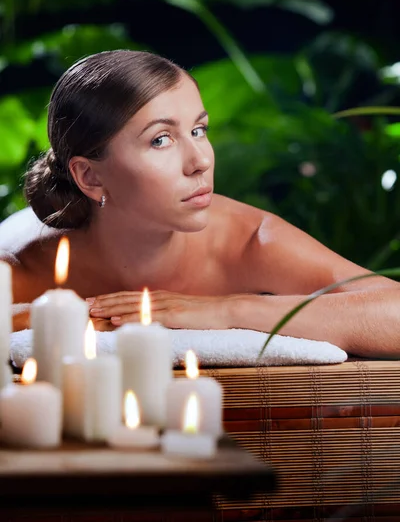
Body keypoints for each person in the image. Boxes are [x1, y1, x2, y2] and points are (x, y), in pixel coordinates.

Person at [1, 50, 399, 357]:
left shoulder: (251, 241)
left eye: (198, 129)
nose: (201, 161)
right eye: (161, 139)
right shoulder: (29, 261)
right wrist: (70, 317)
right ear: (89, 176)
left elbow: (392, 311)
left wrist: (226, 311)